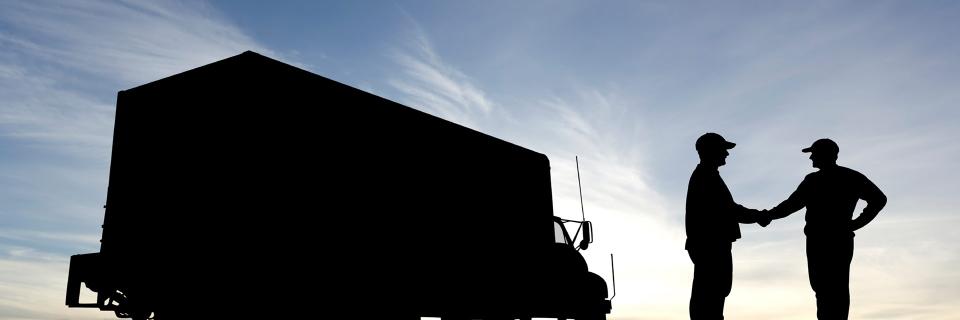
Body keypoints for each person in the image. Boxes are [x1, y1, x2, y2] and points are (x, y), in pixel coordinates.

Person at [764, 138, 887, 319]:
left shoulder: (817, 180)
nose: (811, 158)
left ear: (825, 155)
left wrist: (857, 223)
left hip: (826, 240)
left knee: (829, 288)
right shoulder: (849, 177)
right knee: (828, 288)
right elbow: (792, 204)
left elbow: (791, 205)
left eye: (813, 153)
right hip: (830, 239)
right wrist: (855, 224)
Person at [685, 132, 770, 320]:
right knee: (709, 296)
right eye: (723, 149)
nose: (727, 154)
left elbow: (728, 209)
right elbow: (728, 209)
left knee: (714, 294)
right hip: (711, 245)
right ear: (711, 151)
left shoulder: (708, 175)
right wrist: (758, 216)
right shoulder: (706, 177)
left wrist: (756, 215)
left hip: (712, 244)